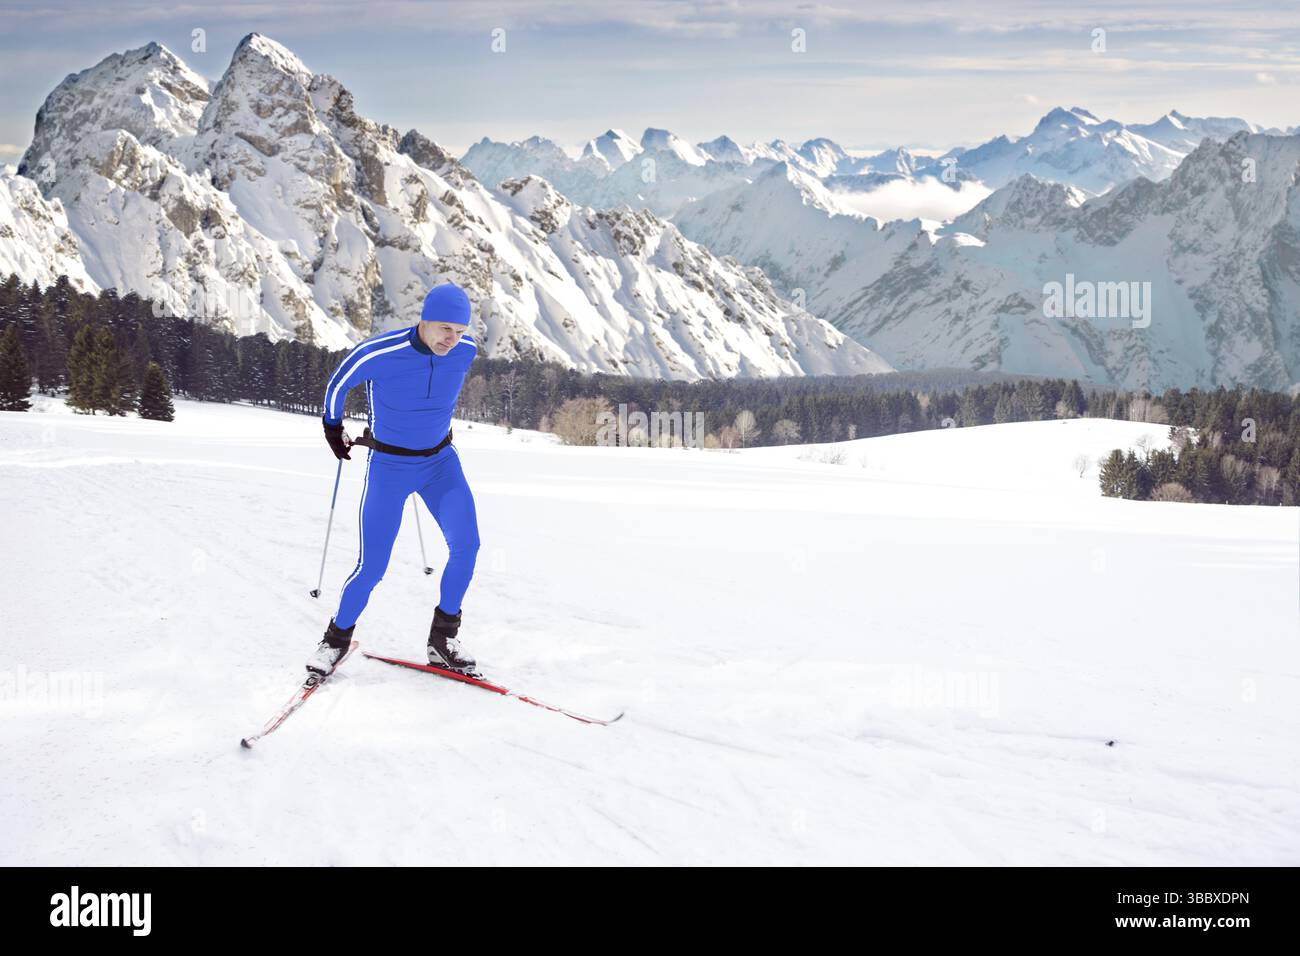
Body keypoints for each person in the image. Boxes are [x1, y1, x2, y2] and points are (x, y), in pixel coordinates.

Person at [308, 282, 482, 678]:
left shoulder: (465, 351)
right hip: (389, 467)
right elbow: (338, 383)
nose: (452, 340)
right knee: (372, 566)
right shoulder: (379, 352)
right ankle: (334, 640)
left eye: (459, 331)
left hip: (441, 464)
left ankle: (443, 640)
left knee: (467, 546)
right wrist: (332, 428)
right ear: (424, 319)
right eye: (444, 328)